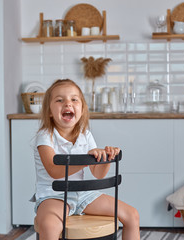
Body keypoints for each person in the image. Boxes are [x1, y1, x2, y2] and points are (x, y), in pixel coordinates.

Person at [33, 79, 140, 240]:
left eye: (74, 99)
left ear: (82, 109)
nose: (67, 104)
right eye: (60, 100)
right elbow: (54, 171)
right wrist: (87, 159)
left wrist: (105, 157)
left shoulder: (85, 135)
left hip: (82, 195)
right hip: (53, 195)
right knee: (50, 226)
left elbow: (98, 174)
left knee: (132, 215)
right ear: (49, 110)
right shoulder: (45, 136)